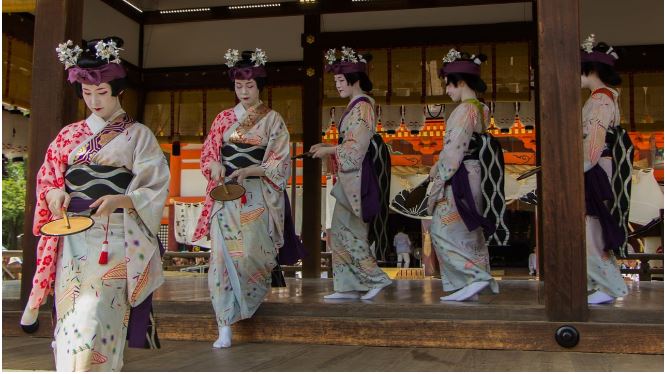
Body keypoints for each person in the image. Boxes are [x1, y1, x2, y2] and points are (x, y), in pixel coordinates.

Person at [20, 37, 170, 371]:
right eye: (87, 94)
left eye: (101, 92)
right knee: (72, 314)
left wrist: (123, 199)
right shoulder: (69, 135)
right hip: (72, 235)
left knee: (99, 312)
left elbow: (156, 182)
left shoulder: (138, 135)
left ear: (118, 90)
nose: (94, 101)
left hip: (115, 236)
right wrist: (53, 192)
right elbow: (48, 176)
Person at [192, 49, 296, 348]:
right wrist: (213, 164)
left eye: (250, 86)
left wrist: (253, 169)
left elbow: (279, 159)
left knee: (252, 251)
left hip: (256, 192)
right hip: (225, 193)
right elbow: (209, 151)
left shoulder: (273, 119)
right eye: (239, 86)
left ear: (259, 86)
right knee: (221, 258)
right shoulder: (223, 118)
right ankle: (224, 321)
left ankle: (247, 301)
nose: (245, 92)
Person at [309, 47, 392, 300]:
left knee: (351, 231)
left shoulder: (363, 106)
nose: (337, 86)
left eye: (340, 81)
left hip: (357, 177)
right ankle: (348, 284)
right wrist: (329, 148)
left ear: (354, 80)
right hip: (350, 177)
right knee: (341, 231)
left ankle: (376, 278)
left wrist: (329, 150)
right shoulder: (357, 106)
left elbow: (356, 148)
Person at [428, 49, 499, 302]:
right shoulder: (481, 109)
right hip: (475, 173)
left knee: (440, 229)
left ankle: (475, 277)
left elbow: (454, 150)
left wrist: (438, 179)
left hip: (459, 176)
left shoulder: (462, 111)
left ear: (460, 82)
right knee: (469, 231)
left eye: (448, 85)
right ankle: (472, 283)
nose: (447, 91)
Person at [580, 34, 630, 304]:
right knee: (592, 226)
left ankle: (610, 285)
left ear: (591, 70)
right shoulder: (607, 98)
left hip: (595, 167)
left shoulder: (600, 101)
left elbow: (594, 144)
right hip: (601, 165)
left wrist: (576, 169)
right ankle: (602, 283)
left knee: (591, 228)